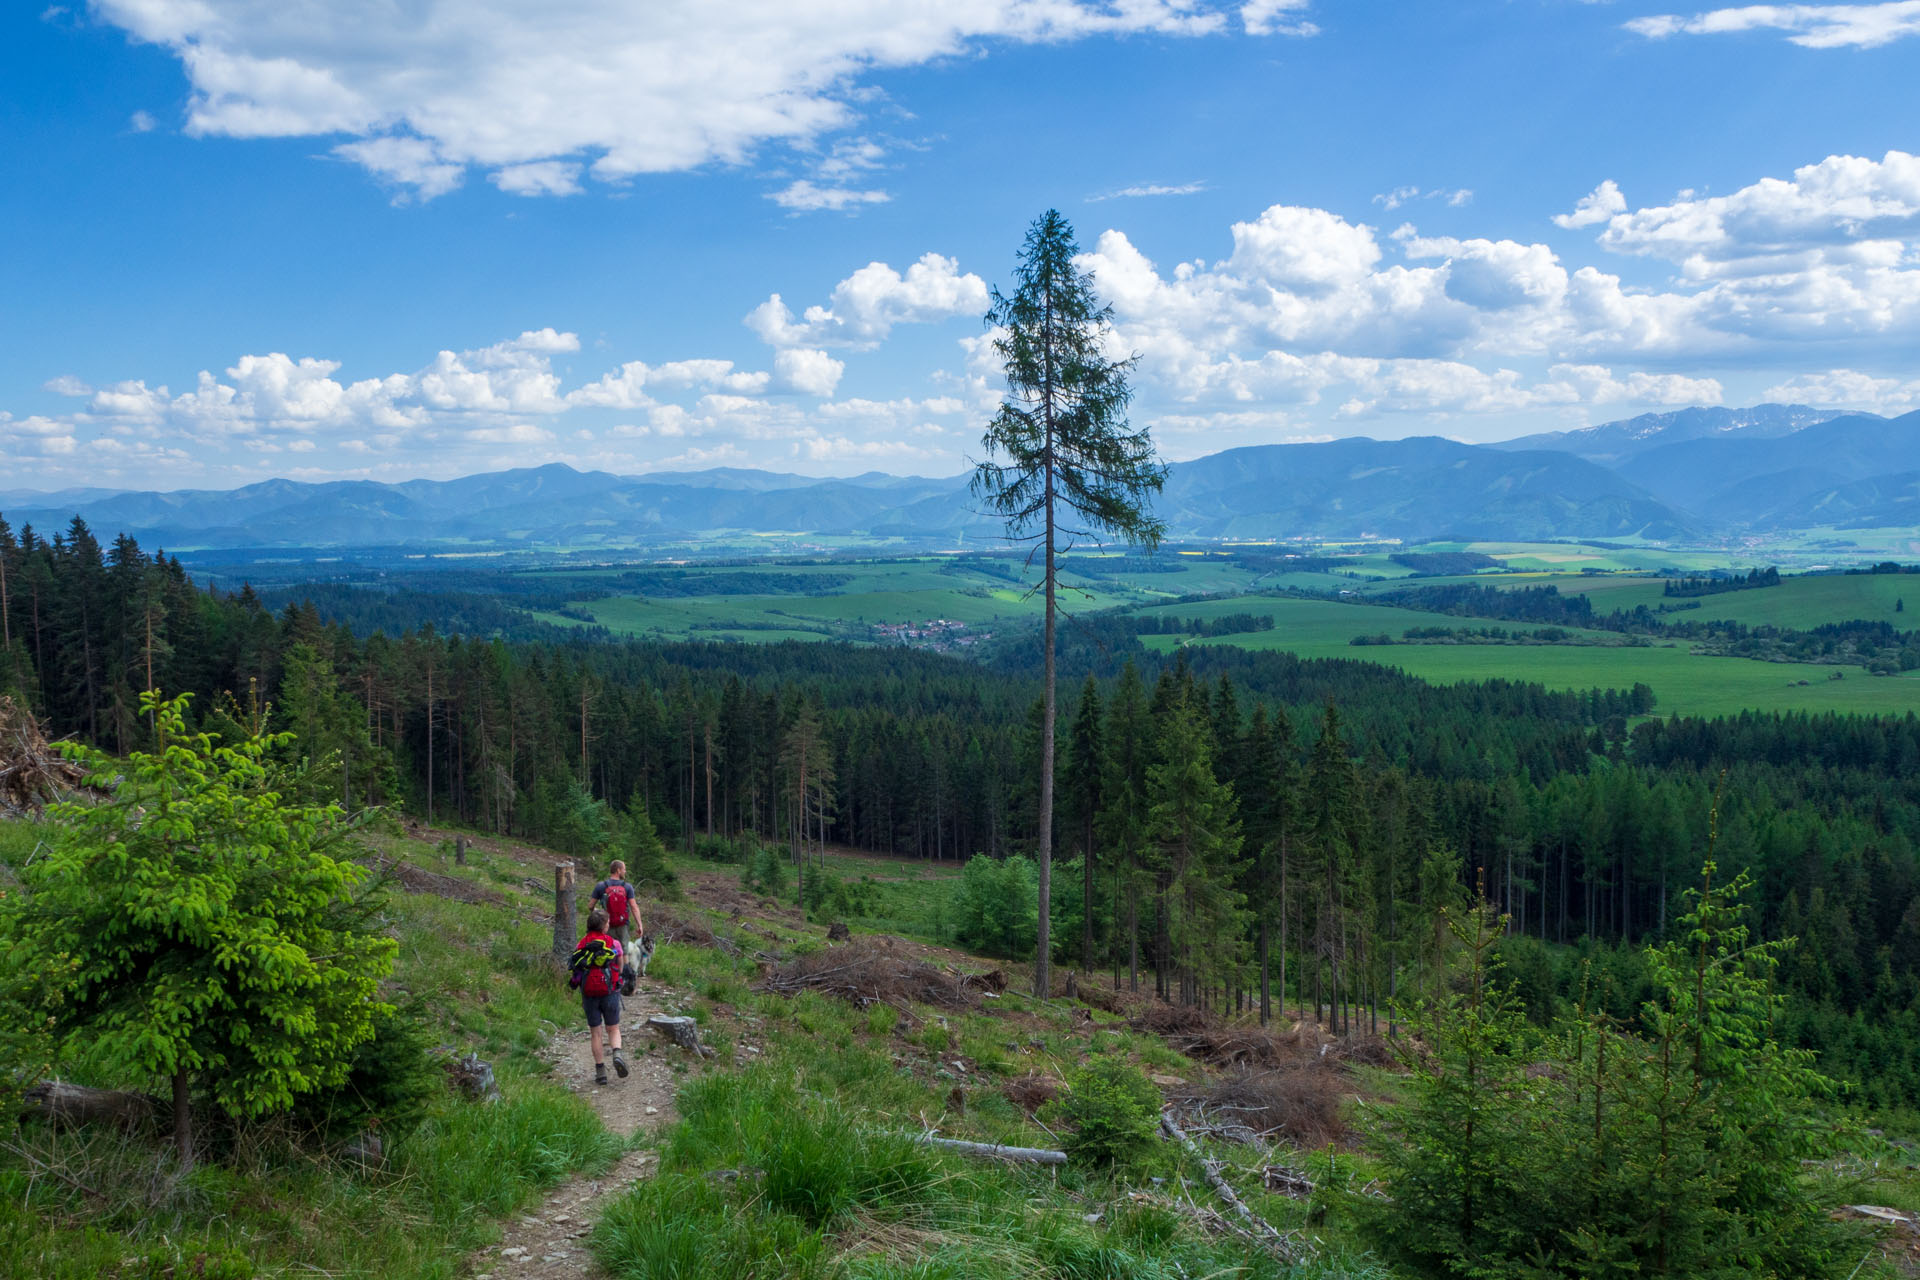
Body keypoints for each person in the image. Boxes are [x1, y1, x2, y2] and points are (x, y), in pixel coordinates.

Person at [568, 907, 628, 1085]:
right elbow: (620, 965)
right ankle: (617, 1053)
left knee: (596, 1032)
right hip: (609, 991)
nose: (609, 925)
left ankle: (601, 1072)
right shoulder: (613, 943)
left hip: (589, 992)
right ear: (603, 927)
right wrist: (618, 981)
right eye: (608, 923)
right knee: (613, 1028)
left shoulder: (582, 944)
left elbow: (576, 967)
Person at [591, 860, 644, 980]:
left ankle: (607, 977)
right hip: (622, 924)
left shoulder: (601, 886)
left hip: (606, 925)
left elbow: (590, 906)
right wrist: (639, 924)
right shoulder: (627, 887)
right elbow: (634, 907)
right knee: (623, 951)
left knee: (607, 949)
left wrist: (598, 913)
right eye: (624, 869)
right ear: (618, 870)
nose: (625, 871)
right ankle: (623, 979)